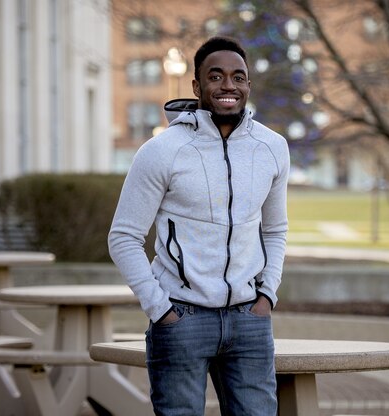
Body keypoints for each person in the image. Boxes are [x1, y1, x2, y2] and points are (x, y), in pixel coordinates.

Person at [109, 36, 290, 416]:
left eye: (238, 77)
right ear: (196, 86)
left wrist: (267, 295)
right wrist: (160, 309)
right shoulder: (162, 151)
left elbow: (275, 230)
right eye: (216, 76)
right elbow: (123, 237)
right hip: (181, 319)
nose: (228, 86)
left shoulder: (272, 148)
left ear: (248, 86)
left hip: (249, 321)